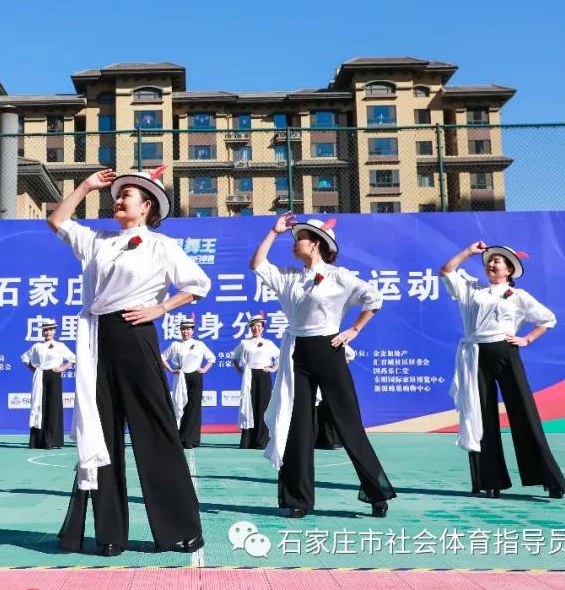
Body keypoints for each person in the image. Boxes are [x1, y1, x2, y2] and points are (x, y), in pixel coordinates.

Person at [50, 167, 211, 557]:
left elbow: (198, 284)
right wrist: (86, 186)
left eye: (128, 196)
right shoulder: (99, 240)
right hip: (96, 340)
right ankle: (109, 534)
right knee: (101, 433)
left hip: (135, 336)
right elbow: (57, 221)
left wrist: (159, 309)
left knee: (154, 430)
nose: (119, 199)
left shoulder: (160, 245)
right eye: (118, 195)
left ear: (147, 207)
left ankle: (179, 529)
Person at [251, 214, 396, 518]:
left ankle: (377, 492)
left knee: (348, 423)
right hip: (297, 353)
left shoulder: (339, 276)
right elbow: (258, 264)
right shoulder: (289, 277)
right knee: (298, 426)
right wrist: (273, 232)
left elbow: (374, 298)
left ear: (316, 243)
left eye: (300, 238)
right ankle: (297, 500)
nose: (295, 243)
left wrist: (353, 330)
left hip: (329, 350)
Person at [439, 241, 565, 499]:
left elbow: (547, 319)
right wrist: (468, 252)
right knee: (480, 415)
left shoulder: (518, 296)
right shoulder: (472, 290)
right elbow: (446, 271)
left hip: (506, 353)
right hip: (476, 354)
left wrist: (527, 339)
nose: (491, 263)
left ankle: (549, 480)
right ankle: (490, 481)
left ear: (508, 270)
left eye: (497, 261)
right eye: (489, 260)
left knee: (523, 411)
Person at [160, 315, 216, 449]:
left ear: (193, 330)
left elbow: (211, 358)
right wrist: (171, 369)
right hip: (181, 377)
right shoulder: (175, 345)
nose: (186, 332)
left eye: (188, 329)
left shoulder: (199, 344)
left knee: (194, 408)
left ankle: (192, 439)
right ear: (180, 330)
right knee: (181, 406)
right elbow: (162, 357)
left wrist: (204, 369)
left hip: (196, 377)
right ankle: (180, 438)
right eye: (183, 329)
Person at [22, 319, 76, 449]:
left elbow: (73, 358)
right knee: (39, 405)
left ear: (55, 331)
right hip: (40, 376)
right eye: (46, 330)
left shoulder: (60, 345)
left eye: (51, 330)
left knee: (54, 406)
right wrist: (34, 369)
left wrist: (62, 368)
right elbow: (24, 358)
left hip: (54, 376)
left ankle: (52, 440)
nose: (48, 332)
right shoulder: (37, 346)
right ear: (42, 332)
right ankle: (38, 441)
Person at [230, 312, 278, 449]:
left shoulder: (269, 343)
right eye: (253, 326)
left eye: (258, 326)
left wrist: (272, 369)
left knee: (264, 407)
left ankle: (262, 440)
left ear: (262, 328)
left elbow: (280, 357)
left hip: (263, 375)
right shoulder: (244, 343)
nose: (256, 328)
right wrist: (240, 370)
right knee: (249, 406)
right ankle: (248, 440)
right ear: (250, 328)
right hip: (249, 375)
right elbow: (234, 357)